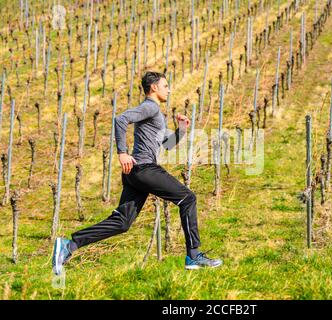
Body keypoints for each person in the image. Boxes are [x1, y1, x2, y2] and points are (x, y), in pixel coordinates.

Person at [52, 72, 222, 275]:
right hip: (144, 168)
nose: (169, 89)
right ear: (154, 88)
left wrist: (181, 130)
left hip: (135, 172)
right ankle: (194, 255)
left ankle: (69, 246)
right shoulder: (150, 107)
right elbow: (120, 120)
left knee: (123, 222)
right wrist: (122, 152)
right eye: (165, 86)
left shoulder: (155, 113)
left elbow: (166, 145)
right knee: (188, 198)